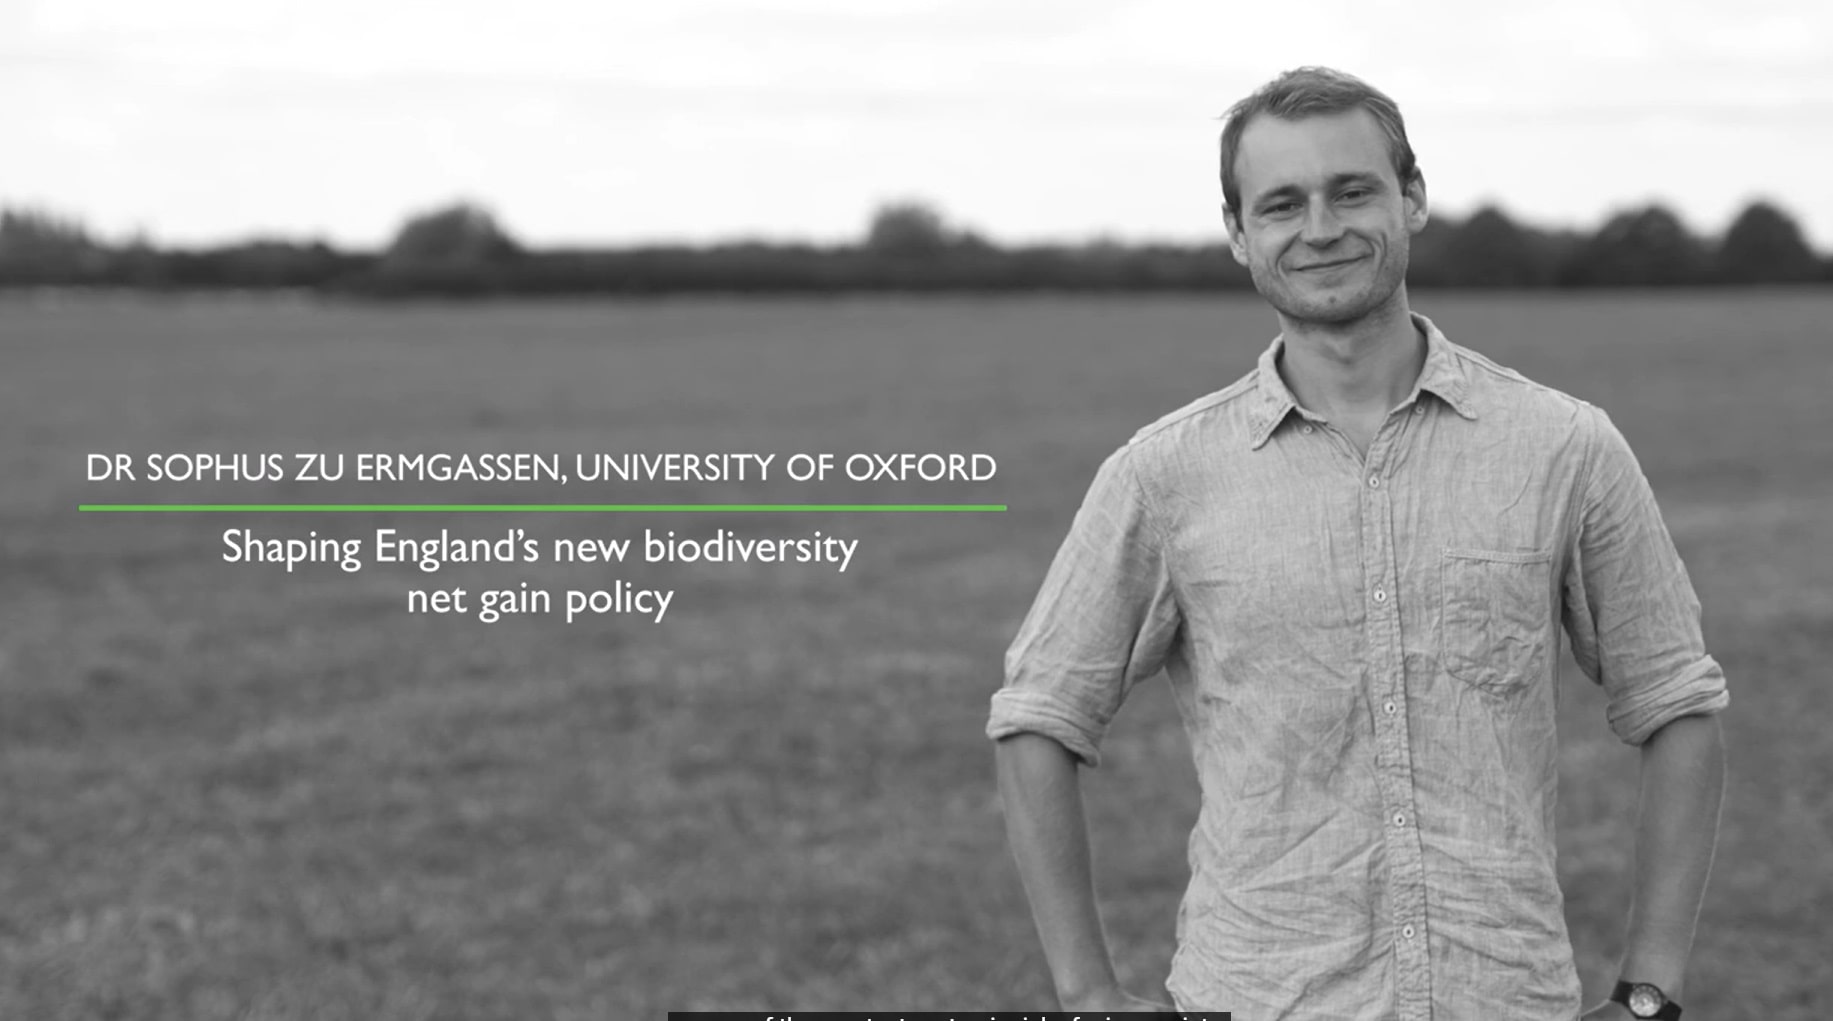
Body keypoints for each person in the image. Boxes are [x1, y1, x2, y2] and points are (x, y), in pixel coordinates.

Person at [986, 66, 1728, 1020]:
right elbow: (1038, 714)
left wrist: (1647, 993)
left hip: (1503, 999)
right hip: (1255, 996)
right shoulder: (1162, 472)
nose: (1320, 228)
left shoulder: (1563, 445)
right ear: (1237, 233)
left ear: (1410, 198)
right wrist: (1086, 992)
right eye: (1281, 203)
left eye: (1352, 190)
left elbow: (1678, 703)